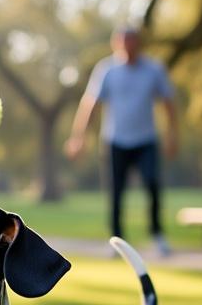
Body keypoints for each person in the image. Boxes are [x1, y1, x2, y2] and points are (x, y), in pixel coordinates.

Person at [64, 26, 180, 257]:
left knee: (152, 184)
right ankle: (116, 241)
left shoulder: (154, 69)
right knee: (116, 193)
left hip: (146, 140)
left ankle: (157, 235)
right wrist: (78, 137)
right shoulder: (107, 70)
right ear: (116, 44)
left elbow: (168, 104)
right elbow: (90, 105)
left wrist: (172, 134)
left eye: (132, 42)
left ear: (139, 44)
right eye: (123, 43)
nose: (127, 48)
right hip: (115, 140)